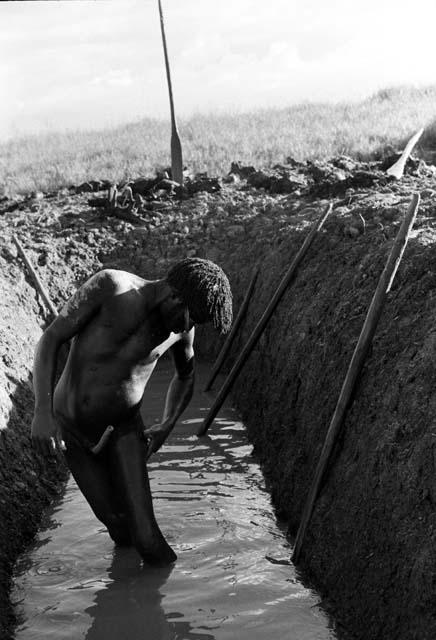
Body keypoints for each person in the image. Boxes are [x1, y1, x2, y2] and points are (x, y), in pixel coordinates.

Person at [31, 258, 232, 566]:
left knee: (147, 539)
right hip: (72, 426)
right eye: (190, 318)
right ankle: (128, 587)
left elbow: (186, 375)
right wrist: (42, 412)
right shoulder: (111, 287)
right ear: (174, 296)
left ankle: (171, 595)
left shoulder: (180, 333)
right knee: (117, 526)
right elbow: (50, 339)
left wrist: (166, 425)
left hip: (124, 427)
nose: (188, 327)